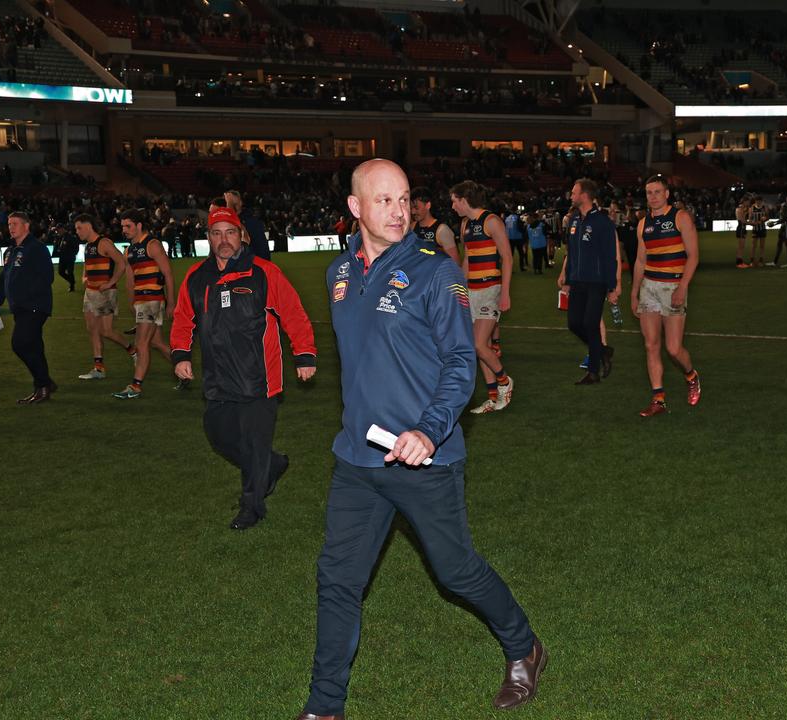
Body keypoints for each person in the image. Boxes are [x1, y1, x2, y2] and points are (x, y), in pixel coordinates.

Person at [297, 159, 546, 720]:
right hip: (358, 459)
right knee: (337, 579)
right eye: (383, 200)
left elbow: (462, 362)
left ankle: (524, 645)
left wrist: (427, 431)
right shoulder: (338, 273)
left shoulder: (438, 271)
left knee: (455, 571)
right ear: (355, 208)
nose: (398, 210)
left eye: (404, 198)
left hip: (423, 460)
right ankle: (324, 706)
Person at [171, 207, 317, 530]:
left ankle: (251, 507)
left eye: (230, 232)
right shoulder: (197, 277)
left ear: (242, 236)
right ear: (208, 238)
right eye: (216, 233)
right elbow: (183, 318)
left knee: (253, 442)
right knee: (218, 435)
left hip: (259, 379)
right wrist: (180, 354)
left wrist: (304, 354)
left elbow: (293, 313)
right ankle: (271, 464)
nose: (224, 240)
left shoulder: (264, 273)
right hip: (218, 377)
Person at [632, 175, 701, 416]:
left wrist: (683, 287)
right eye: (649, 192)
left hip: (673, 287)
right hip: (649, 287)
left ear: (667, 194)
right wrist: (634, 292)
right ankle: (658, 400)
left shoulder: (680, 218)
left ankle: (691, 375)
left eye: (657, 192)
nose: (653, 196)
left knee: (673, 348)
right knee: (651, 345)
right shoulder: (643, 223)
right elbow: (641, 260)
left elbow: (693, 256)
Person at [450, 180, 514, 414]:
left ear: (464, 200)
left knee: (477, 344)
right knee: (481, 345)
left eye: (454, 201)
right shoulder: (465, 224)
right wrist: (461, 289)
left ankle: (505, 381)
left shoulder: (492, 221)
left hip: (490, 289)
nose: (453, 206)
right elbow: (467, 259)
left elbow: (507, 257)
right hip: (472, 291)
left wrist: (505, 292)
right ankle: (492, 397)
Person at [0, 212, 56, 404]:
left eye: (15, 223)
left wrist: (26, 296)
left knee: (20, 344)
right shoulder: (10, 251)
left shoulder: (37, 248)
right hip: (20, 308)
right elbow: (3, 279)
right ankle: (45, 384)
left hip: (34, 306)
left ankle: (42, 384)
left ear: (26, 226)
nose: (11, 227)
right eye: (9, 224)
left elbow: (47, 277)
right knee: (34, 346)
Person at [558, 178, 620, 385]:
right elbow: (572, 252)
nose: (571, 196)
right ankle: (603, 352)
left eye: (574, 192)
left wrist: (612, 286)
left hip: (597, 282)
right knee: (574, 323)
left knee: (590, 324)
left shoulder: (603, 222)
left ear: (584, 195)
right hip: (577, 281)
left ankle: (593, 372)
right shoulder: (574, 220)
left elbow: (610, 256)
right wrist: (567, 277)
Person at [113, 208, 175, 399]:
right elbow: (130, 280)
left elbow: (168, 274)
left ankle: (135, 386)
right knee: (156, 342)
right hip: (142, 301)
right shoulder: (129, 251)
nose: (124, 229)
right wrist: (132, 302)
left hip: (153, 299)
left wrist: (171, 303)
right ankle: (183, 367)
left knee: (141, 343)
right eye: (122, 226)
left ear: (139, 225)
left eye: (128, 226)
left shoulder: (153, 244)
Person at [74, 214, 134, 380]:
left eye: (79, 228)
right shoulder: (88, 246)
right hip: (90, 292)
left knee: (106, 331)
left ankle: (132, 350)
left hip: (105, 293)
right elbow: (87, 263)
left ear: (88, 226)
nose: (77, 232)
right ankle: (98, 369)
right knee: (92, 329)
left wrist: (111, 282)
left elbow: (122, 263)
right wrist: (84, 275)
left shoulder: (104, 242)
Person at [409, 186, 460, 263]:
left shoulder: (442, 230)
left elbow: (455, 263)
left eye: (416, 208)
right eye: (411, 208)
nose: (413, 212)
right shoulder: (412, 228)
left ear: (428, 205)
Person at [225, 189, 271, 260]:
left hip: (254, 265)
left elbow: (233, 223)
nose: (230, 207)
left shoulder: (251, 221)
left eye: (233, 204)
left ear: (241, 203)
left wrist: (229, 203)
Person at [53, 225, 79, 292]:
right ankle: (72, 281)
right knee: (61, 272)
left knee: (70, 272)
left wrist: (73, 254)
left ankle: (72, 286)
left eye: (58, 230)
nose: (57, 231)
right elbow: (57, 246)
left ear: (62, 229)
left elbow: (76, 246)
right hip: (62, 257)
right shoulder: (59, 237)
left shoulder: (70, 237)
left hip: (70, 258)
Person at [767, 200, 787, 268]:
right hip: (783, 226)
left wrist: (774, 223)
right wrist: (775, 223)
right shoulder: (784, 206)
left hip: (786, 227)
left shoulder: (785, 207)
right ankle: (775, 262)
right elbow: (783, 218)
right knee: (779, 244)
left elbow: (785, 219)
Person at [747, 196, 768, 267]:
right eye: (757, 201)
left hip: (762, 229)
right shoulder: (751, 208)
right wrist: (754, 223)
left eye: (760, 201)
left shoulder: (764, 207)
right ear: (755, 201)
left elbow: (768, 217)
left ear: (761, 201)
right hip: (755, 229)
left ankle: (761, 261)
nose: (758, 202)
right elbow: (749, 220)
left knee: (762, 246)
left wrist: (765, 219)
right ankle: (752, 261)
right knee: (753, 246)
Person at [505, 207, 528, 271]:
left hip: (509, 238)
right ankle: (522, 267)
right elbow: (520, 228)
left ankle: (510, 269)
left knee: (510, 255)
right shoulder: (517, 218)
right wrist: (524, 230)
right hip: (517, 238)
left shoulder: (507, 218)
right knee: (521, 253)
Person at [734, 196, 749, 268]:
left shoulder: (743, 209)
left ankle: (740, 261)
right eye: (747, 202)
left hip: (742, 228)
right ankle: (739, 263)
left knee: (742, 246)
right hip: (741, 228)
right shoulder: (739, 209)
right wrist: (752, 223)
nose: (748, 203)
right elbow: (742, 221)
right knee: (741, 246)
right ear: (744, 202)